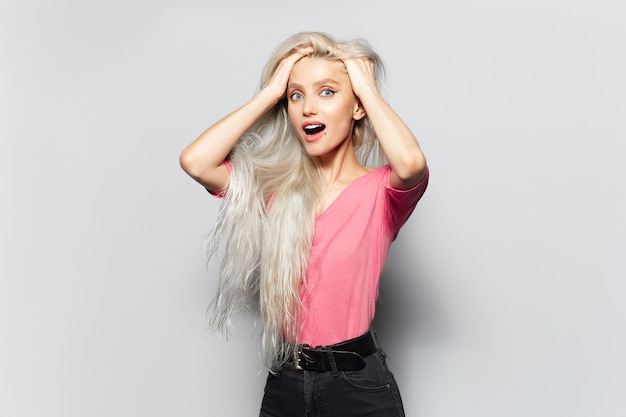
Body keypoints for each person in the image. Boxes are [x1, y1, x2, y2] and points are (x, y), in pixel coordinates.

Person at [180, 31, 429, 417]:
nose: (308, 108)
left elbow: (412, 163)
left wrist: (365, 86)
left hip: (358, 386)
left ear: (357, 107)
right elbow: (197, 161)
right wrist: (270, 93)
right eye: (297, 96)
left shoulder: (382, 192)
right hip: (286, 383)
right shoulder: (277, 190)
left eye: (327, 92)